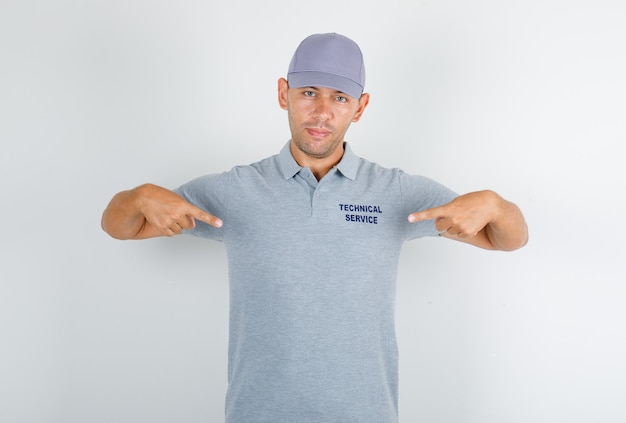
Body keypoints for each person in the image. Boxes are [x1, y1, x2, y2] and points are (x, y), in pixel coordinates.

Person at [102, 33, 528, 423]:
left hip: (366, 413)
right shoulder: (237, 190)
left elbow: (508, 239)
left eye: (340, 98)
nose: (323, 112)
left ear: (359, 108)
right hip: (258, 413)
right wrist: (136, 197)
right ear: (284, 94)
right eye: (309, 93)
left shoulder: (394, 192)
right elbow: (120, 227)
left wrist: (495, 205)